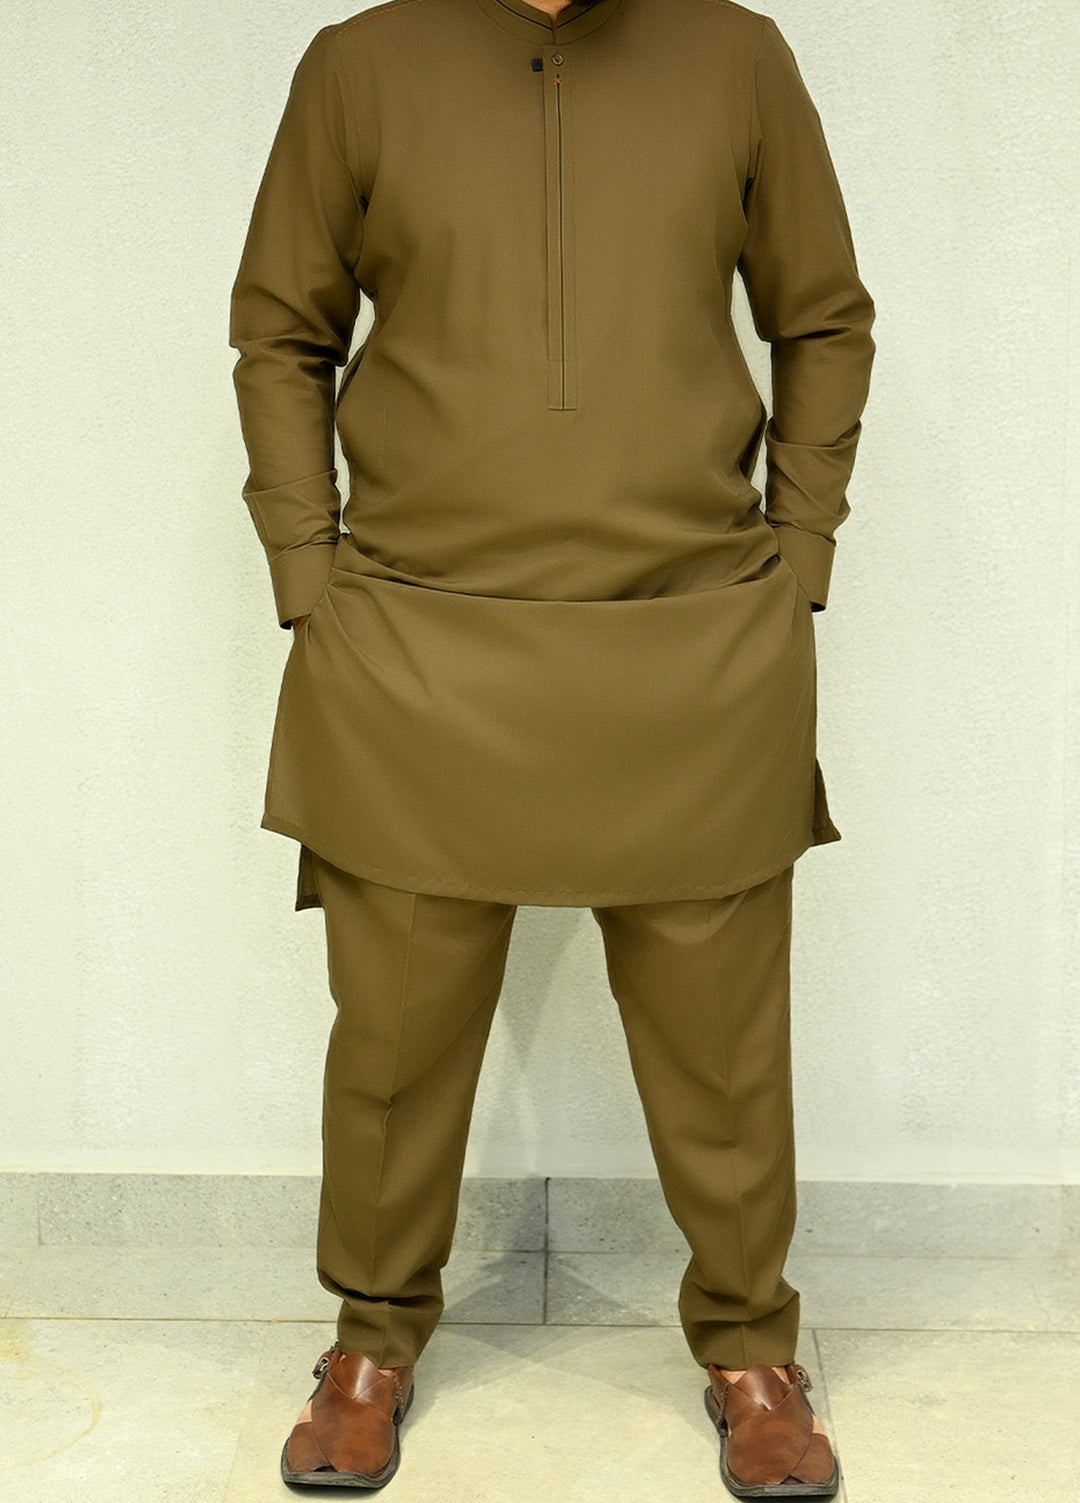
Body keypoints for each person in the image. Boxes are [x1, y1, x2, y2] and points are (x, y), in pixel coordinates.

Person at [228, 0, 874, 1494]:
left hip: (693, 639)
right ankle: (370, 1340)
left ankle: (752, 1349)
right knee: (393, 1038)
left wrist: (799, 552)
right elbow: (281, 331)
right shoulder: (358, 66)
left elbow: (824, 319)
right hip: (417, 638)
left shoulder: (739, 57)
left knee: (724, 1043)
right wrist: (308, 569)